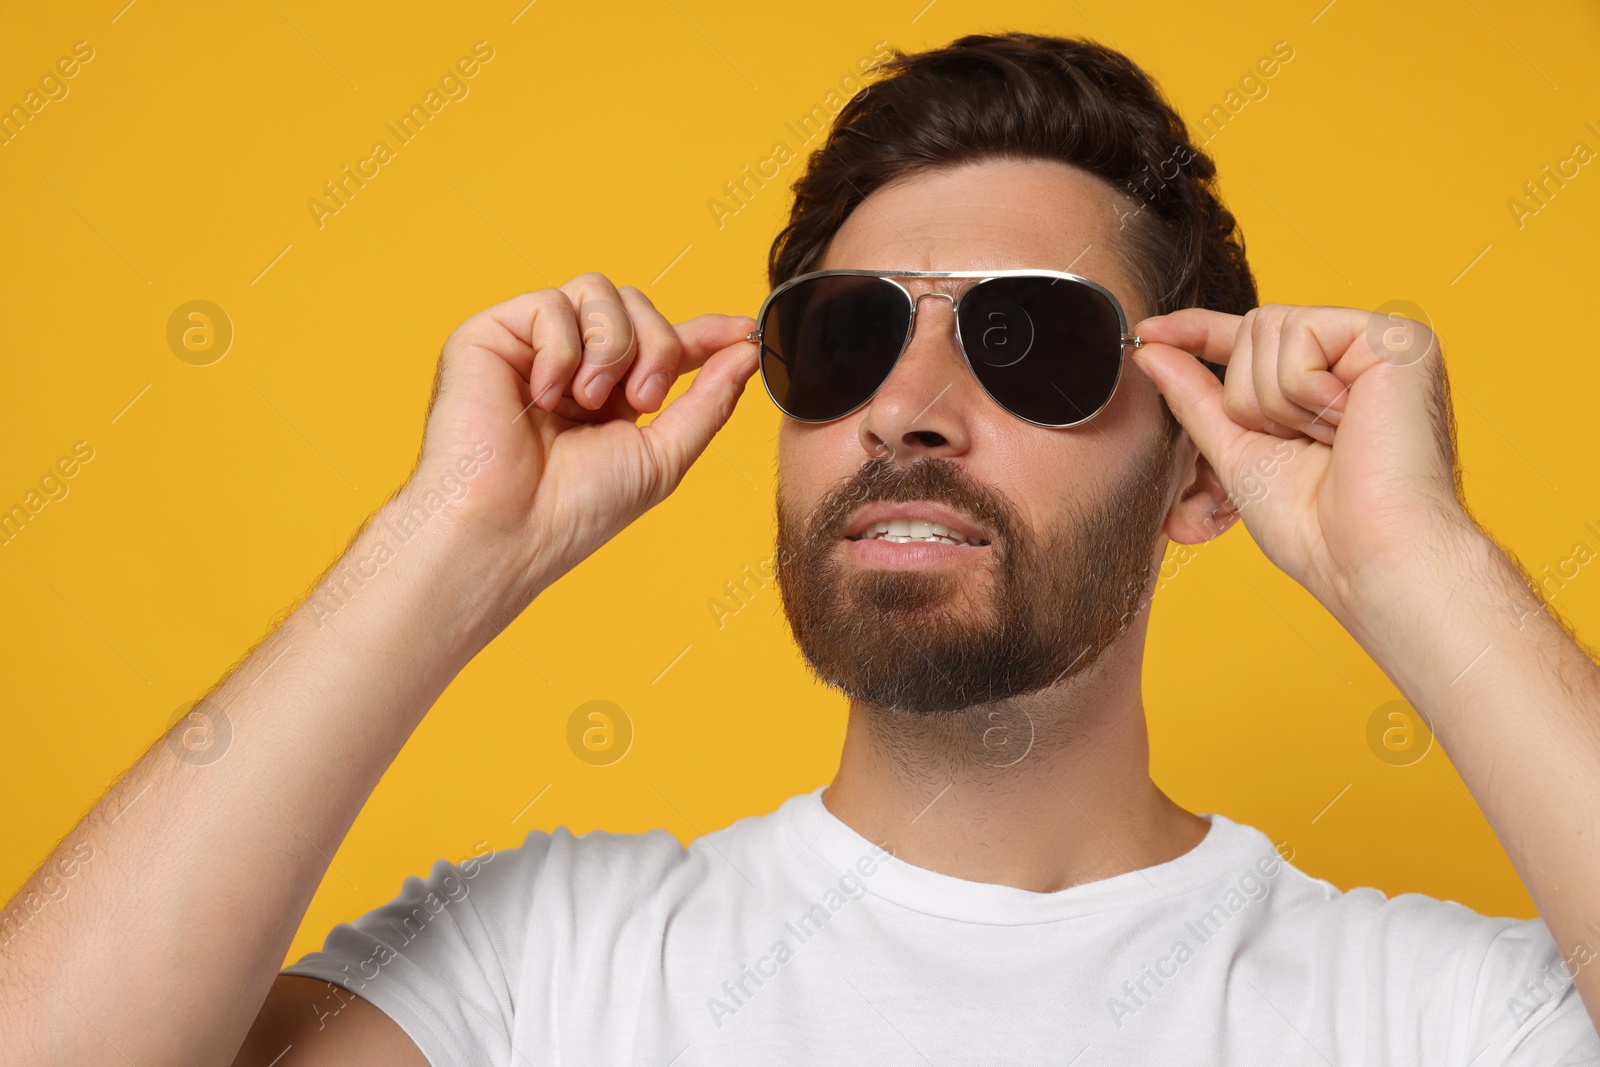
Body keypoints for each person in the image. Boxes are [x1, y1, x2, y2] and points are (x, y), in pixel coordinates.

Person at [3, 30, 1598, 1067]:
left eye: (1027, 343)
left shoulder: (1417, 1016)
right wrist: (445, 542)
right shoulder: (547, 968)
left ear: (1201, 474)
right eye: (843, 340)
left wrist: (1421, 564)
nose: (908, 408)